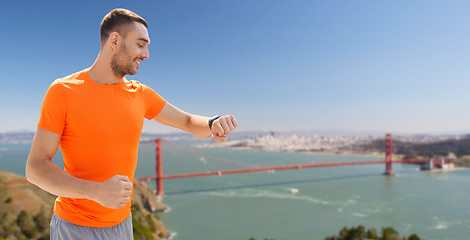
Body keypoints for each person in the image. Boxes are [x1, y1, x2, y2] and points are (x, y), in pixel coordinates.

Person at [25, 8, 237, 239]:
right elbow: (35, 168)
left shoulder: (141, 94)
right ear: (115, 40)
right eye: (140, 44)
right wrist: (95, 192)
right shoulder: (63, 91)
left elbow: (187, 121)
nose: (146, 54)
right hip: (74, 228)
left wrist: (212, 122)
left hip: (123, 224)